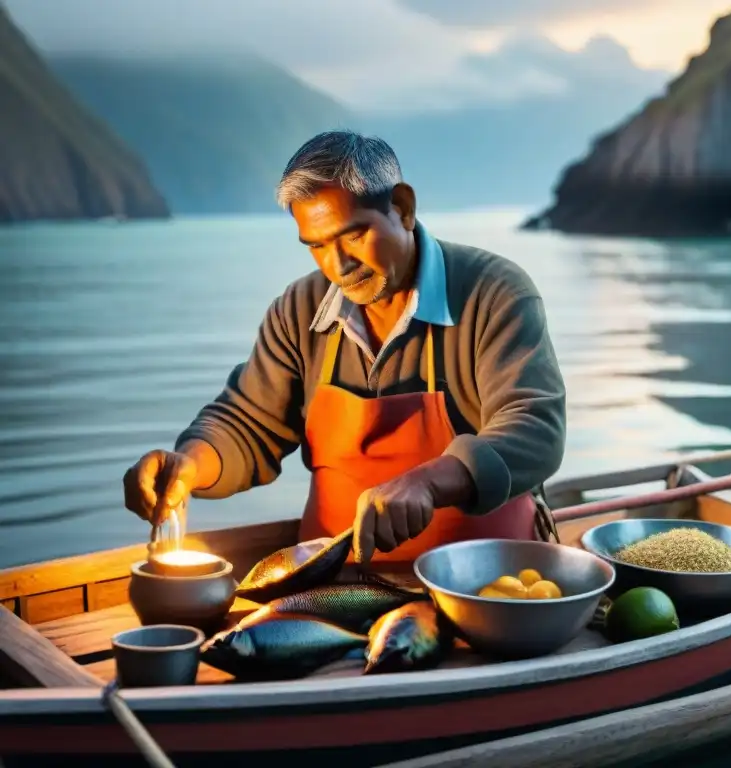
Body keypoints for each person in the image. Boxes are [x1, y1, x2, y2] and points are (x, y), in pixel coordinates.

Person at [122, 130, 567, 564]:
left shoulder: (495, 293)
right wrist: (190, 465)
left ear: (403, 207)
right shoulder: (297, 310)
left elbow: (534, 428)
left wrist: (430, 483)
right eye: (317, 246)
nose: (340, 266)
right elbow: (247, 424)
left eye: (354, 235)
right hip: (333, 587)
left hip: (484, 584)